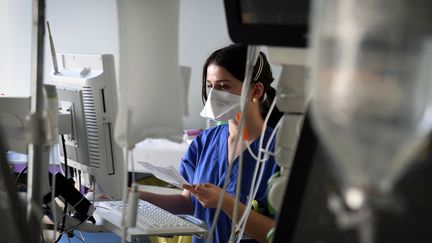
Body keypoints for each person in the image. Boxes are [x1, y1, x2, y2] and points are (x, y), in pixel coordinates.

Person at [137, 44, 282, 243]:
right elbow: (187, 203)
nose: (214, 94)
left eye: (223, 86)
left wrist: (226, 203)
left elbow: (280, 233)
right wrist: (134, 197)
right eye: (210, 85)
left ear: (255, 91)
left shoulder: (280, 153)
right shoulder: (205, 142)